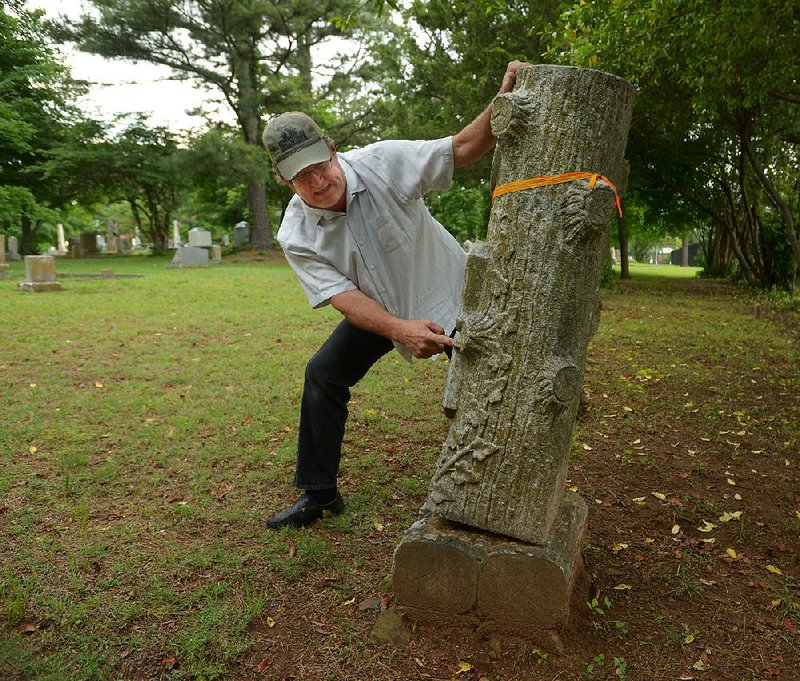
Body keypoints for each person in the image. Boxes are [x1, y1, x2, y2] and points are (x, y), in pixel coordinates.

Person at [263, 61, 527, 529]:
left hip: (450, 296)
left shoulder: (383, 163)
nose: (319, 182)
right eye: (301, 178)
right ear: (284, 182)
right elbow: (343, 297)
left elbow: (463, 148)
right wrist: (398, 329)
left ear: (332, 149)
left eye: (320, 165)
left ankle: (504, 484)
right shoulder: (295, 232)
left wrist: (502, 95)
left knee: (483, 387)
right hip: (379, 310)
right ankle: (319, 494)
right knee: (323, 374)